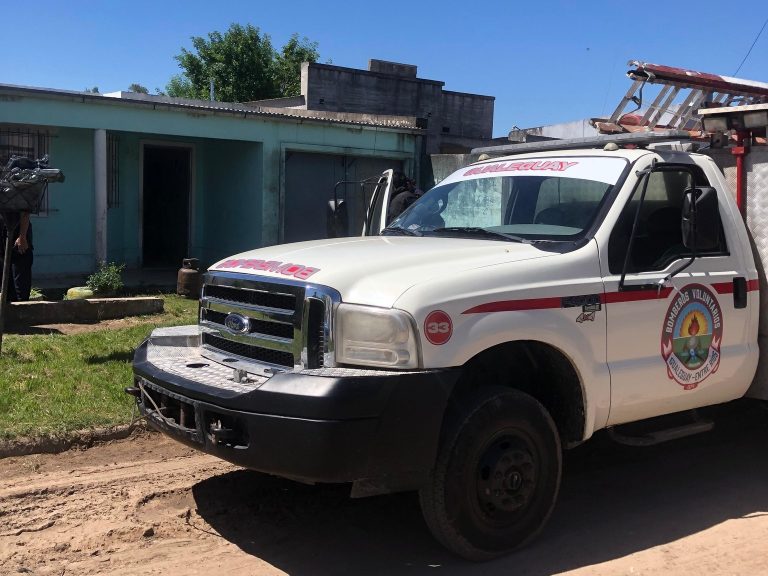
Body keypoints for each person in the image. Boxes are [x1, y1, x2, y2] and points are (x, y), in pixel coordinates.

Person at [0, 211, 33, 302]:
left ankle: (21, 310)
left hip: (17, 232)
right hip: (2, 230)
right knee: (4, 281)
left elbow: (25, 211)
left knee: (20, 281)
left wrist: (22, 236)